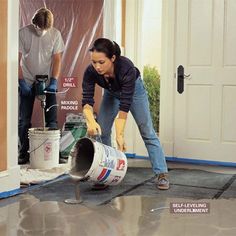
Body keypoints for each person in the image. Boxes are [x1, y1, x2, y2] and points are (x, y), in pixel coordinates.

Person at [82, 38, 169, 190]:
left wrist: (120, 134)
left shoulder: (126, 67)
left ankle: (161, 173)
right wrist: (90, 120)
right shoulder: (91, 72)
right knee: (102, 130)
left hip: (134, 91)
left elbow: (125, 105)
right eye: (94, 62)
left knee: (146, 130)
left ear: (113, 58)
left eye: (101, 62)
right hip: (111, 93)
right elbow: (87, 100)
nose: (97, 67)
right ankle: (105, 173)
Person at [18, 8, 65, 164]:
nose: (41, 31)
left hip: (46, 80)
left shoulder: (55, 34)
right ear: (34, 23)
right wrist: (21, 81)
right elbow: (15, 57)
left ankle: (53, 152)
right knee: (24, 120)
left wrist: (54, 81)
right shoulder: (23, 33)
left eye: (45, 28)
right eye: (39, 27)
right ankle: (23, 152)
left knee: (51, 120)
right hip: (27, 80)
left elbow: (57, 58)